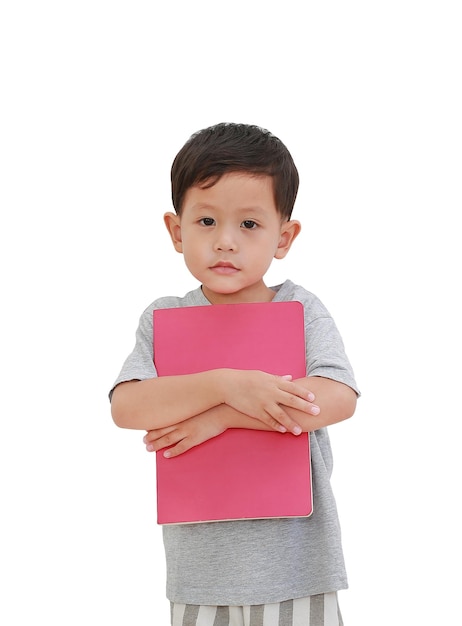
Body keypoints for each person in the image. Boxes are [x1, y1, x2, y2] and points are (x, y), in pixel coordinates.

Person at [110, 122, 360, 626]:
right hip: (201, 572)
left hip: (298, 566)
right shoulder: (164, 318)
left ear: (284, 236)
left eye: (249, 224)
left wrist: (221, 416)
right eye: (206, 221)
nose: (225, 242)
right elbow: (127, 407)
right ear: (176, 231)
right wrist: (226, 382)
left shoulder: (300, 307)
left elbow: (337, 396)